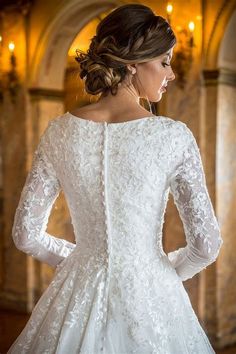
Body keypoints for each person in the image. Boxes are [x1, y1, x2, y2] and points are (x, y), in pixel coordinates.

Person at [8, 3, 223, 353]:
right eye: (164, 62)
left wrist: (82, 263)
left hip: (77, 289)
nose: (171, 74)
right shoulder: (173, 136)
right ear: (134, 62)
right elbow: (206, 245)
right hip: (153, 293)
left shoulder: (58, 132)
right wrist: (158, 274)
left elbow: (25, 234)